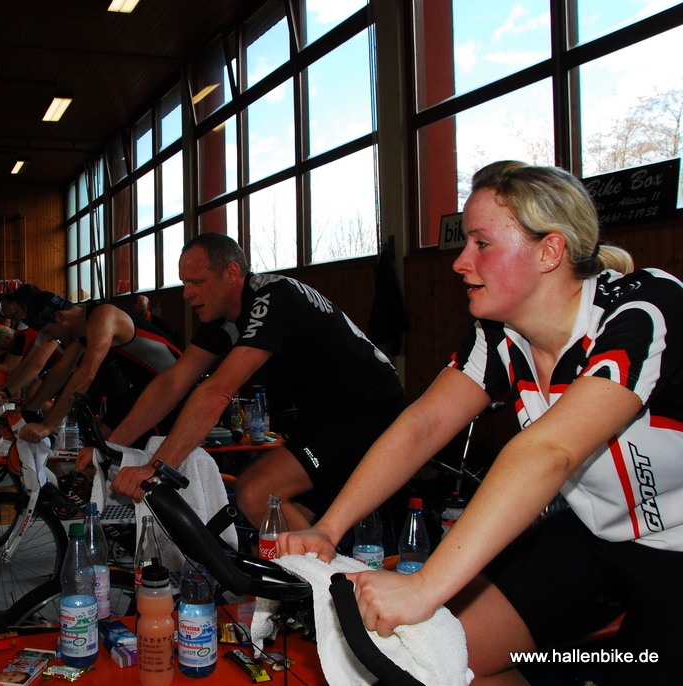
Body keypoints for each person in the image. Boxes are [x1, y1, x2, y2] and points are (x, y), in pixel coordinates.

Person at [279, 161, 683, 685]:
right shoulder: (498, 335)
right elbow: (423, 425)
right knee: (442, 660)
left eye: (482, 243)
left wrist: (426, 585)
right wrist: (328, 528)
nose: (460, 262)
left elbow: (551, 451)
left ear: (550, 251)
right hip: (594, 535)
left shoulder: (643, 306)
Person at [78, 233, 405, 531]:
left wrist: (157, 467)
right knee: (285, 515)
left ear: (232, 273)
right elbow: (172, 383)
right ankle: (314, 569)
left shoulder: (273, 297)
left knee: (256, 493)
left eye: (196, 281)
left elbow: (217, 390)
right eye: (184, 283)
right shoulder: (223, 318)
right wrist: (111, 449)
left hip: (372, 409)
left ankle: (327, 575)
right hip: (327, 416)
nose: (187, 293)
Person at [17, 291, 182, 444]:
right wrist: (28, 411)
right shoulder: (82, 329)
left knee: (128, 448)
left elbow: (86, 374)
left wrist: (47, 426)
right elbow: (61, 371)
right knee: (96, 444)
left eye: (47, 331)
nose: (48, 338)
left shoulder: (103, 316)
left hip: (173, 388)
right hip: (146, 388)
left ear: (60, 316)